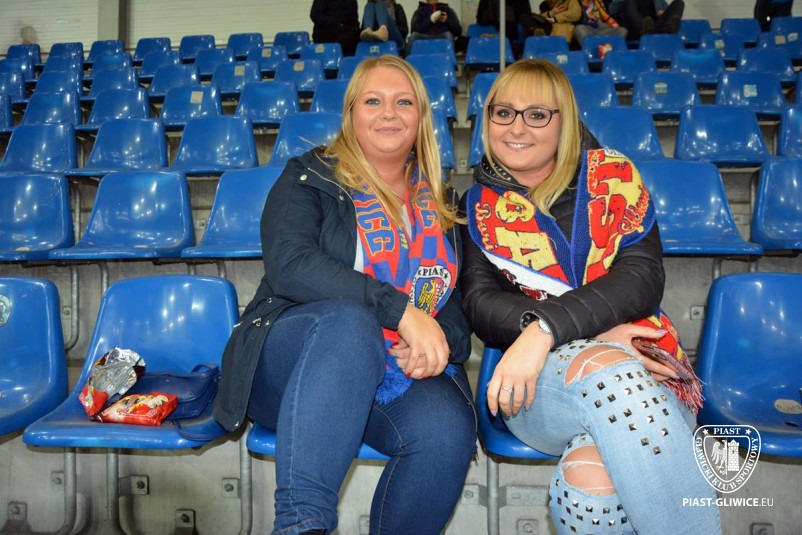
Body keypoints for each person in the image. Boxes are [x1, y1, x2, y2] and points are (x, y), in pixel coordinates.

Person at [213, 55, 476, 535]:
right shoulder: (309, 176)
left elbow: (454, 303)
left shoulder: (442, 201)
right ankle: (301, 525)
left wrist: (438, 339)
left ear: (421, 116)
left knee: (446, 430)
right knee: (349, 322)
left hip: (393, 368)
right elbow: (291, 265)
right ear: (352, 112)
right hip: (296, 359)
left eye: (403, 102)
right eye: (373, 101)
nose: (388, 113)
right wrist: (401, 312)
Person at [460, 59, 721, 534]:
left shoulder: (614, 178)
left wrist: (546, 328)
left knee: (591, 481)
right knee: (613, 374)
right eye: (503, 112)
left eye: (537, 114)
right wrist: (578, 336)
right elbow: (480, 305)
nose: (516, 127)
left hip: (646, 365)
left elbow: (641, 279)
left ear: (565, 121)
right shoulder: (476, 206)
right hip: (539, 387)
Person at [608, 0, 685, 41]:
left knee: (679, 3)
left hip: (653, 29)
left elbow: (666, 12)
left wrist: (661, 11)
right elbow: (612, 10)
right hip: (635, 31)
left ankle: (669, 30)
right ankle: (642, 28)